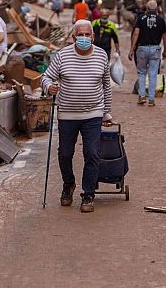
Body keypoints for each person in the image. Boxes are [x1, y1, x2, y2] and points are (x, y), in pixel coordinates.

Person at [41, 20, 113, 213]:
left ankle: (88, 194)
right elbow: (46, 77)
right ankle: (68, 183)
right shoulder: (62, 56)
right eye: (79, 35)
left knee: (92, 153)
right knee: (65, 154)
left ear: (93, 36)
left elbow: (106, 85)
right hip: (67, 114)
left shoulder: (101, 55)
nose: (83, 38)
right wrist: (49, 87)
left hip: (93, 113)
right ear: (73, 38)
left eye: (87, 35)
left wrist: (106, 112)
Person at [129, 0, 166, 106]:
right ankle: (151, 99)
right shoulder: (160, 20)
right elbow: (165, 36)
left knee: (141, 73)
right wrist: (165, 50)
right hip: (155, 49)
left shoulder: (141, 18)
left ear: (146, 8)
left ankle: (142, 96)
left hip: (142, 48)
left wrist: (132, 49)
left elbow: (136, 34)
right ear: (156, 9)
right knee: (153, 74)